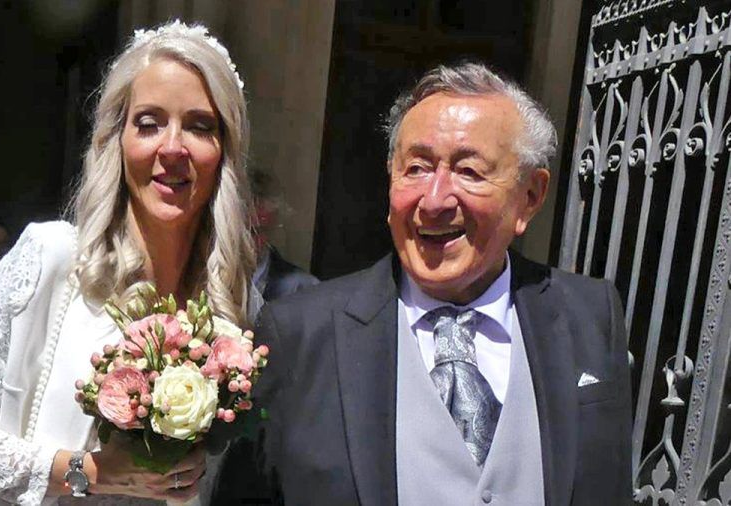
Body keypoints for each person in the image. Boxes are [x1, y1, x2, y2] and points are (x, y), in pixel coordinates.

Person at [214, 62, 632, 505]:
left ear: (530, 196)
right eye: (416, 168)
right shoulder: (299, 333)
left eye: (469, 172)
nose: (434, 201)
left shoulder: (589, 315)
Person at [0, 20, 256, 506]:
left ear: (224, 150)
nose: (173, 147)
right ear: (116, 141)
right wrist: (91, 471)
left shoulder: (231, 305)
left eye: (200, 126)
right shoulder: (51, 260)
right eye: (148, 123)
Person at [250, 170, 318, 301]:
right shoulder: (204, 277)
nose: (251, 241)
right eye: (246, 229)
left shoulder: (303, 289)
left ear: (275, 226)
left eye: (261, 230)